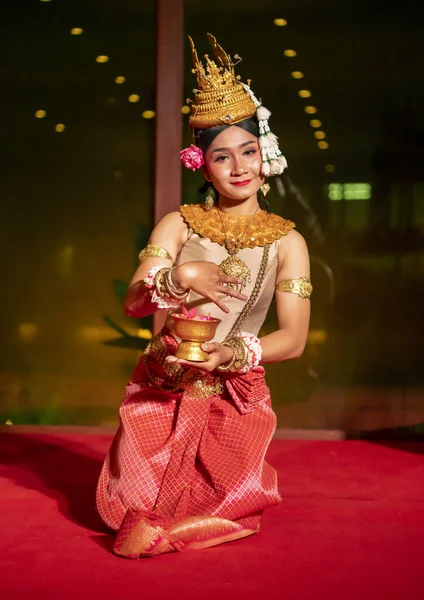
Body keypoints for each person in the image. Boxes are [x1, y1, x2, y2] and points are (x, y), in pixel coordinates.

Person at [96, 33, 312, 558]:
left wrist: (232, 354)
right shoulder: (178, 223)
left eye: (249, 151)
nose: (239, 167)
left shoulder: (289, 241)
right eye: (222, 156)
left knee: (226, 505)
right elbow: (134, 304)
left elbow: (295, 339)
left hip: (234, 390)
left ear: (267, 155)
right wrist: (181, 277)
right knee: (129, 505)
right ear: (201, 164)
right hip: (165, 381)